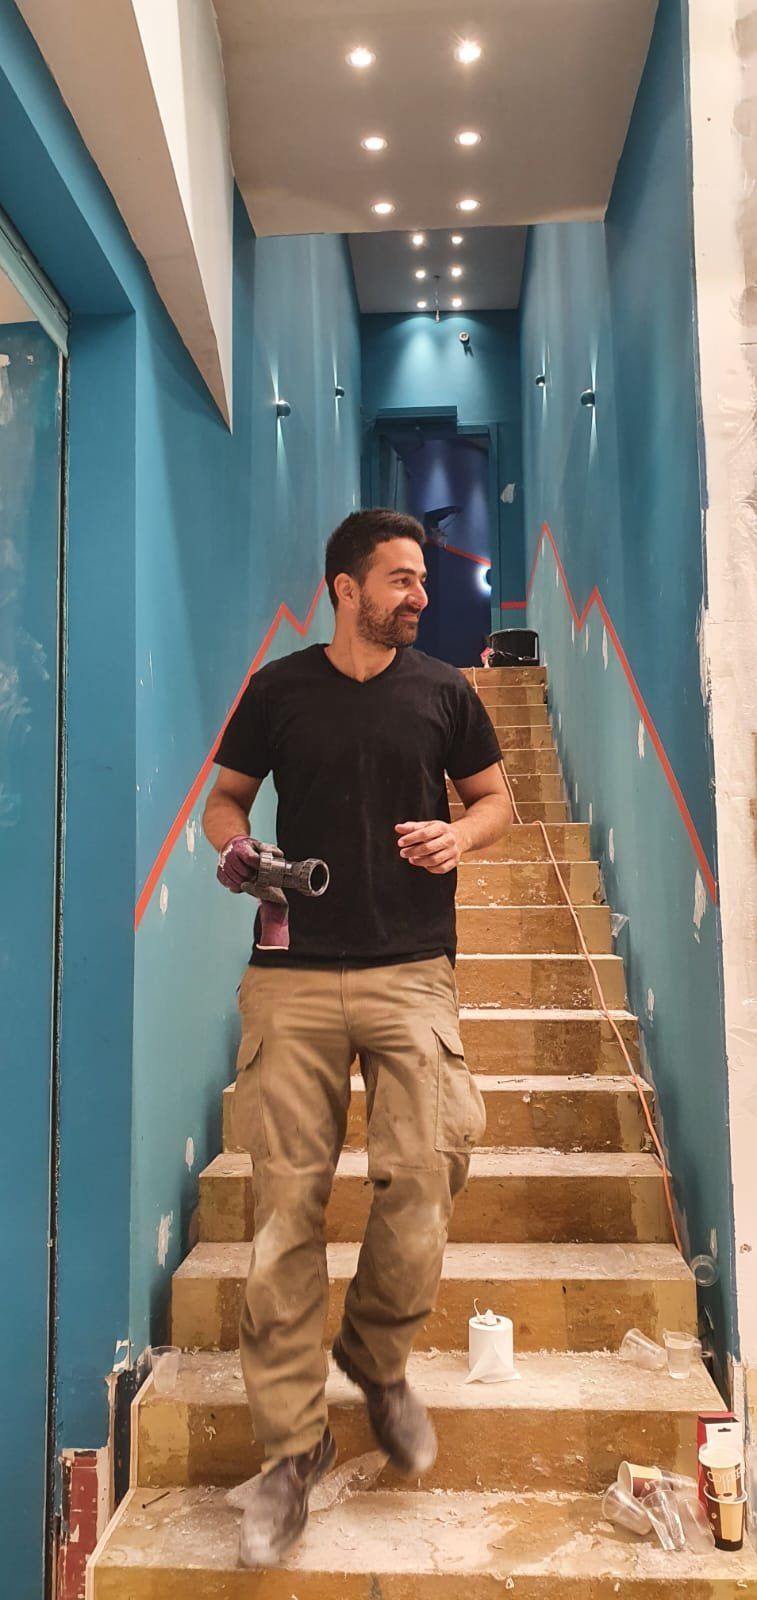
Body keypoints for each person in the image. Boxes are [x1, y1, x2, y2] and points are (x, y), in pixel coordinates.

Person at [203, 508, 512, 1567]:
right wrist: (239, 851)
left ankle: (375, 1358)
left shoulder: (445, 690)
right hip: (290, 979)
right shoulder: (279, 690)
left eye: (421, 577)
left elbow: (496, 801)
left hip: (411, 970)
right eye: (400, 578)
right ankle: (291, 1451)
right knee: (283, 1215)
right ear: (345, 588)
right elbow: (225, 800)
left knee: (427, 1170)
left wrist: (458, 835)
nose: (420, 594)